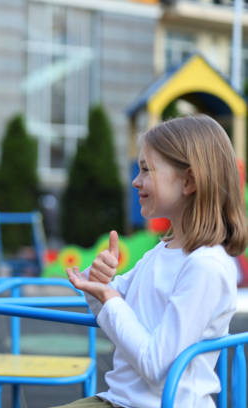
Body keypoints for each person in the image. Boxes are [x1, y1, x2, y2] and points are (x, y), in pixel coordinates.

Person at [58, 115, 248, 408]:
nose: (135, 181)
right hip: (121, 401)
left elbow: (157, 366)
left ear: (189, 181)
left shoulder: (206, 267)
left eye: (146, 169)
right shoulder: (162, 252)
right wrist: (97, 282)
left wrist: (108, 296)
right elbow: (105, 309)